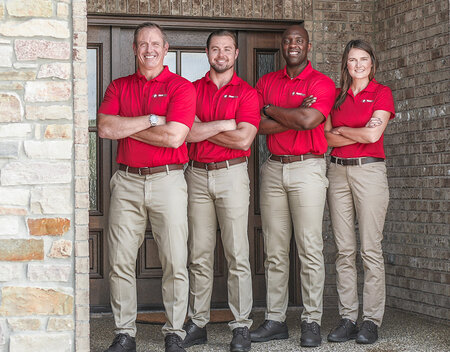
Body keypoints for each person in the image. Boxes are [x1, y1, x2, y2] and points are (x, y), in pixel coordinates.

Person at [97, 22, 196, 352]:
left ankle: (174, 332)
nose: (149, 49)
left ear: (166, 49)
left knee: (174, 260)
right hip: (126, 181)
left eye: (155, 44)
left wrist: (126, 127)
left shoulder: (181, 87)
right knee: (120, 262)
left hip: (168, 179)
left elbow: (176, 137)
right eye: (143, 44)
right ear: (135, 49)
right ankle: (125, 333)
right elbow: (105, 127)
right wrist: (153, 119)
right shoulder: (119, 86)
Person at [250, 24, 335, 348]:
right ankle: (275, 319)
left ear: (308, 46)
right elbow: (255, 124)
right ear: (282, 47)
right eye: (287, 41)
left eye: (298, 40)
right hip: (273, 169)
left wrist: (270, 110)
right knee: (274, 250)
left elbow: (309, 121)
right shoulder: (267, 81)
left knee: (310, 248)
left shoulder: (321, 82)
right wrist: (292, 113)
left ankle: (311, 320)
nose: (292, 45)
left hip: (308, 167)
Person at [182, 30, 260, 352]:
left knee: (237, 253)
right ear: (207, 53)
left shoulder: (247, 93)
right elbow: (185, 134)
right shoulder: (191, 89)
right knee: (199, 255)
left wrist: (203, 128)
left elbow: (244, 140)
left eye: (227, 49)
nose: (221, 54)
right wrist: (225, 124)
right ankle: (197, 322)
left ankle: (241, 325)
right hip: (197, 177)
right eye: (215, 49)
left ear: (236, 54)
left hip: (232, 176)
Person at [325, 39, 395, 345]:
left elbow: (373, 133)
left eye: (363, 59)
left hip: (369, 171)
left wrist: (345, 132)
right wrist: (350, 134)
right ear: (346, 65)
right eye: (352, 60)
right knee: (344, 250)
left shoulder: (381, 93)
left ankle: (371, 320)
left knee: (369, 249)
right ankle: (348, 318)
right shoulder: (337, 98)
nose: (358, 65)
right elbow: (327, 138)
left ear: (372, 63)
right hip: (337, 171)